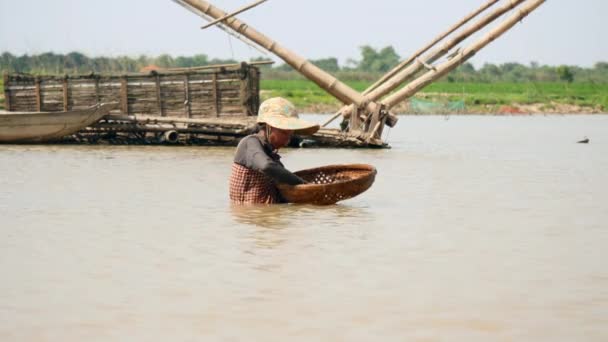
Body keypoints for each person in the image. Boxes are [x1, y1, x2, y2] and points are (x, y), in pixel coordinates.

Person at [229, 97, 320, 204]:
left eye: (290, 135)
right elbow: (266, 166)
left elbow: (280, 183)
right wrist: (302, 183)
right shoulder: (250, 143)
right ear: (268, 127)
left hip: (269, 212)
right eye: (284, 133)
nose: (287, 141)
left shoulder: (271, 155)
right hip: (253, 216)